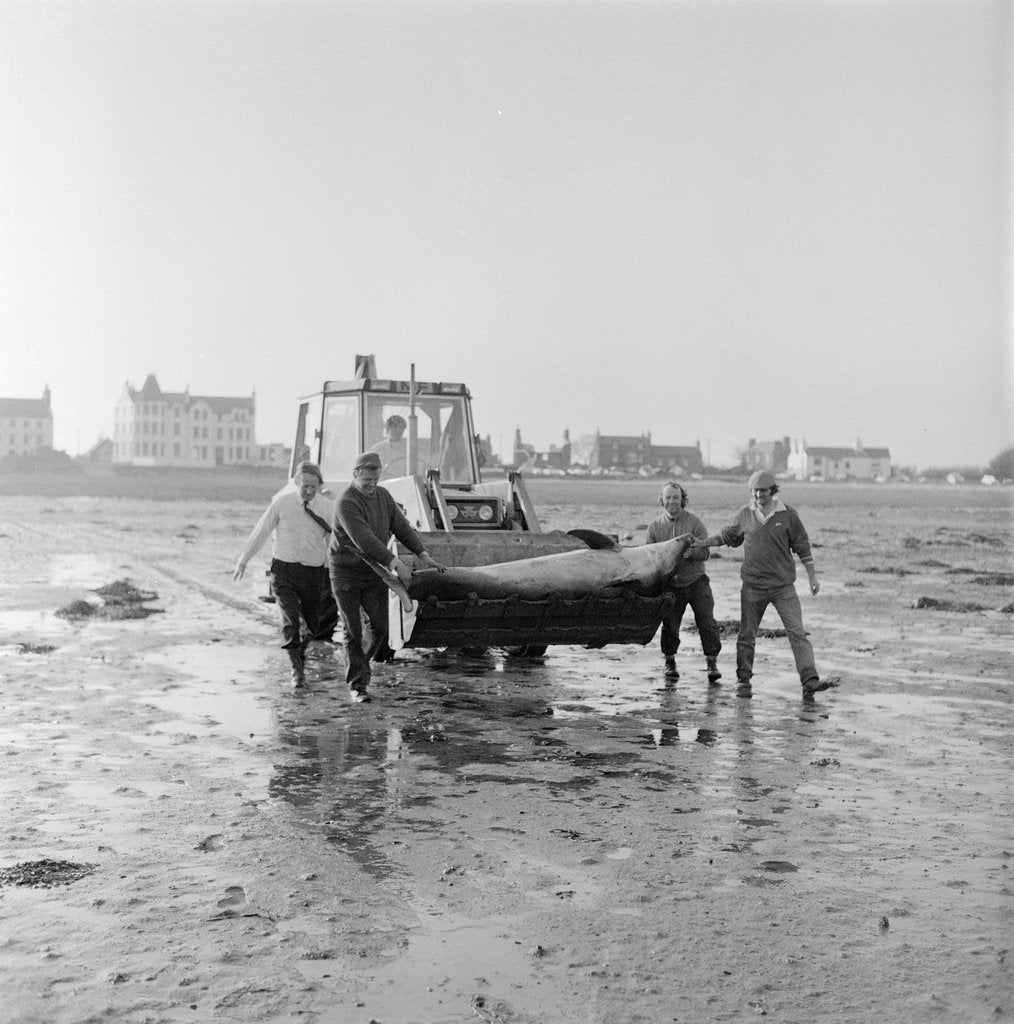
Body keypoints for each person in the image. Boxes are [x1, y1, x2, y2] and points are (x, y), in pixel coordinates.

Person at [689, 470, 830, 697]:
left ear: (772, 491)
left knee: (797, 633)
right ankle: (743, 680)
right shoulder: (746, 514)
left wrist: (812, 576)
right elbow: (727, 536)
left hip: (783, 588)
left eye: (763, 490)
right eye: (754, 491)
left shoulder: (788, 515)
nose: (758, 495)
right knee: (746, 635)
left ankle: (809, 681)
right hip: (753, 587)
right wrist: (703, 543)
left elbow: (802, 546)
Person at [329, 450, 446, 702]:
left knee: (381, 627)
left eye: (375, 481)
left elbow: (401, 526)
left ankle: (360, 664)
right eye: (366, 482)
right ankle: (357, 686)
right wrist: (396, 564)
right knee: (353, 629)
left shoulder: (383, 496)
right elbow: (365, 540)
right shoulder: (346, 502)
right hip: (346, 573)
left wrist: (423, 554)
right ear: (355, 474)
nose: (371, 487)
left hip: (374, 573)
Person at [234, 461, 338, 688]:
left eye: (314, 486)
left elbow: (333, 542)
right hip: (284, 571)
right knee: (290, 621)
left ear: (320, 485)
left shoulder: (328, 507)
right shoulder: (282, 503)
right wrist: (244, 560)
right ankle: (296, 670)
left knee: (312, 625)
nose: (309, 491)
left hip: (314, 572)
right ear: (297, 483)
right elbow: (261, 531)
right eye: (305, 486)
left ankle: (299, 654)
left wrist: (333, 572)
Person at [646, 481, 722, 684]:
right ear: (662, 500)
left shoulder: (695, 523)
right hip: (671, 585)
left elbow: (706, 552)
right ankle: (669, 662)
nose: (672, 501)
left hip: (697, 582)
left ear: (683, 500)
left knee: (707, 622)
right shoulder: (655, 527)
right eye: (668, 497)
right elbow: (649, 557)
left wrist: (690, 553)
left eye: (676, 498)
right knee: (670, 624)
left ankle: (712, 662)